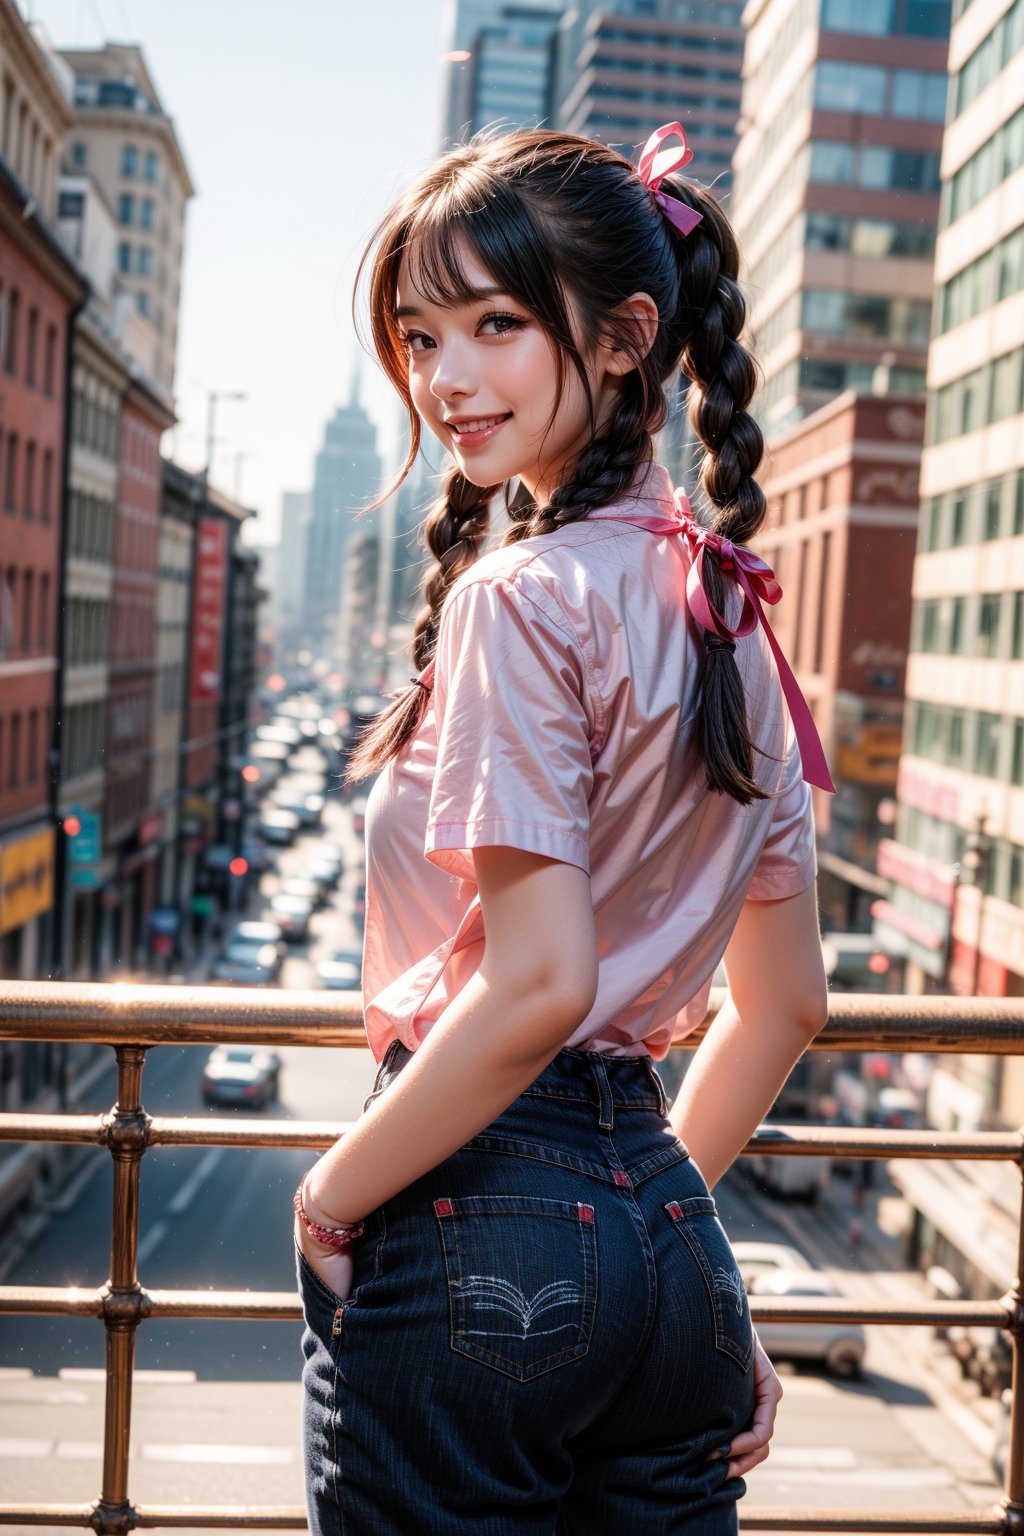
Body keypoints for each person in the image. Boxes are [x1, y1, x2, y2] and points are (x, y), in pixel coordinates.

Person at [291, 122, 832, 1535]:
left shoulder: (522, 594)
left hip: (474, 1201)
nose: (444, 377)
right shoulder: (732, 614)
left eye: (495, 324)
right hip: (669, 1232)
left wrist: (337, 1196)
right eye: (419, 335)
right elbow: (784, 1004)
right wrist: (661, 1238)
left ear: (623, 338)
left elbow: (539, 982)